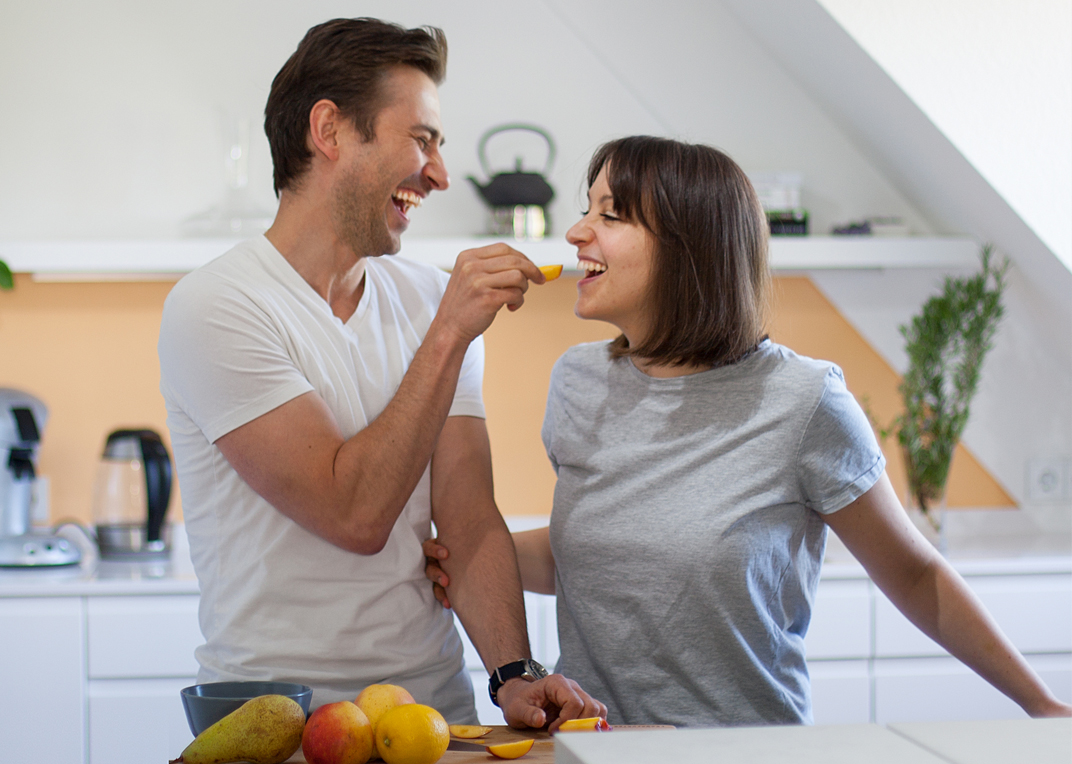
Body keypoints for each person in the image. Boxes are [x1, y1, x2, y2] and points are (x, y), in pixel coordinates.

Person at [424, 135, 1072, 726]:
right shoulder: (579, 382)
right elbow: (599, 553)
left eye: (610, 215)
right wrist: (467, 560)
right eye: (587, 208)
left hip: (745, 757)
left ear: (689, 247)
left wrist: (1041, 704)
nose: (575, 232)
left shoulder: (805, 401)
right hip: (595, 754)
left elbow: (915, 576)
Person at [157, 18, 605, 729]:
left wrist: (514, 674)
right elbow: (355, 513)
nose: (440, 173)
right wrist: (449, 332)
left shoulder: (430, 298)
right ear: (330, 131)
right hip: (277, 724)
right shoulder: (216, 308)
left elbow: (466, 516)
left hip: (430, 713)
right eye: (421, 139)